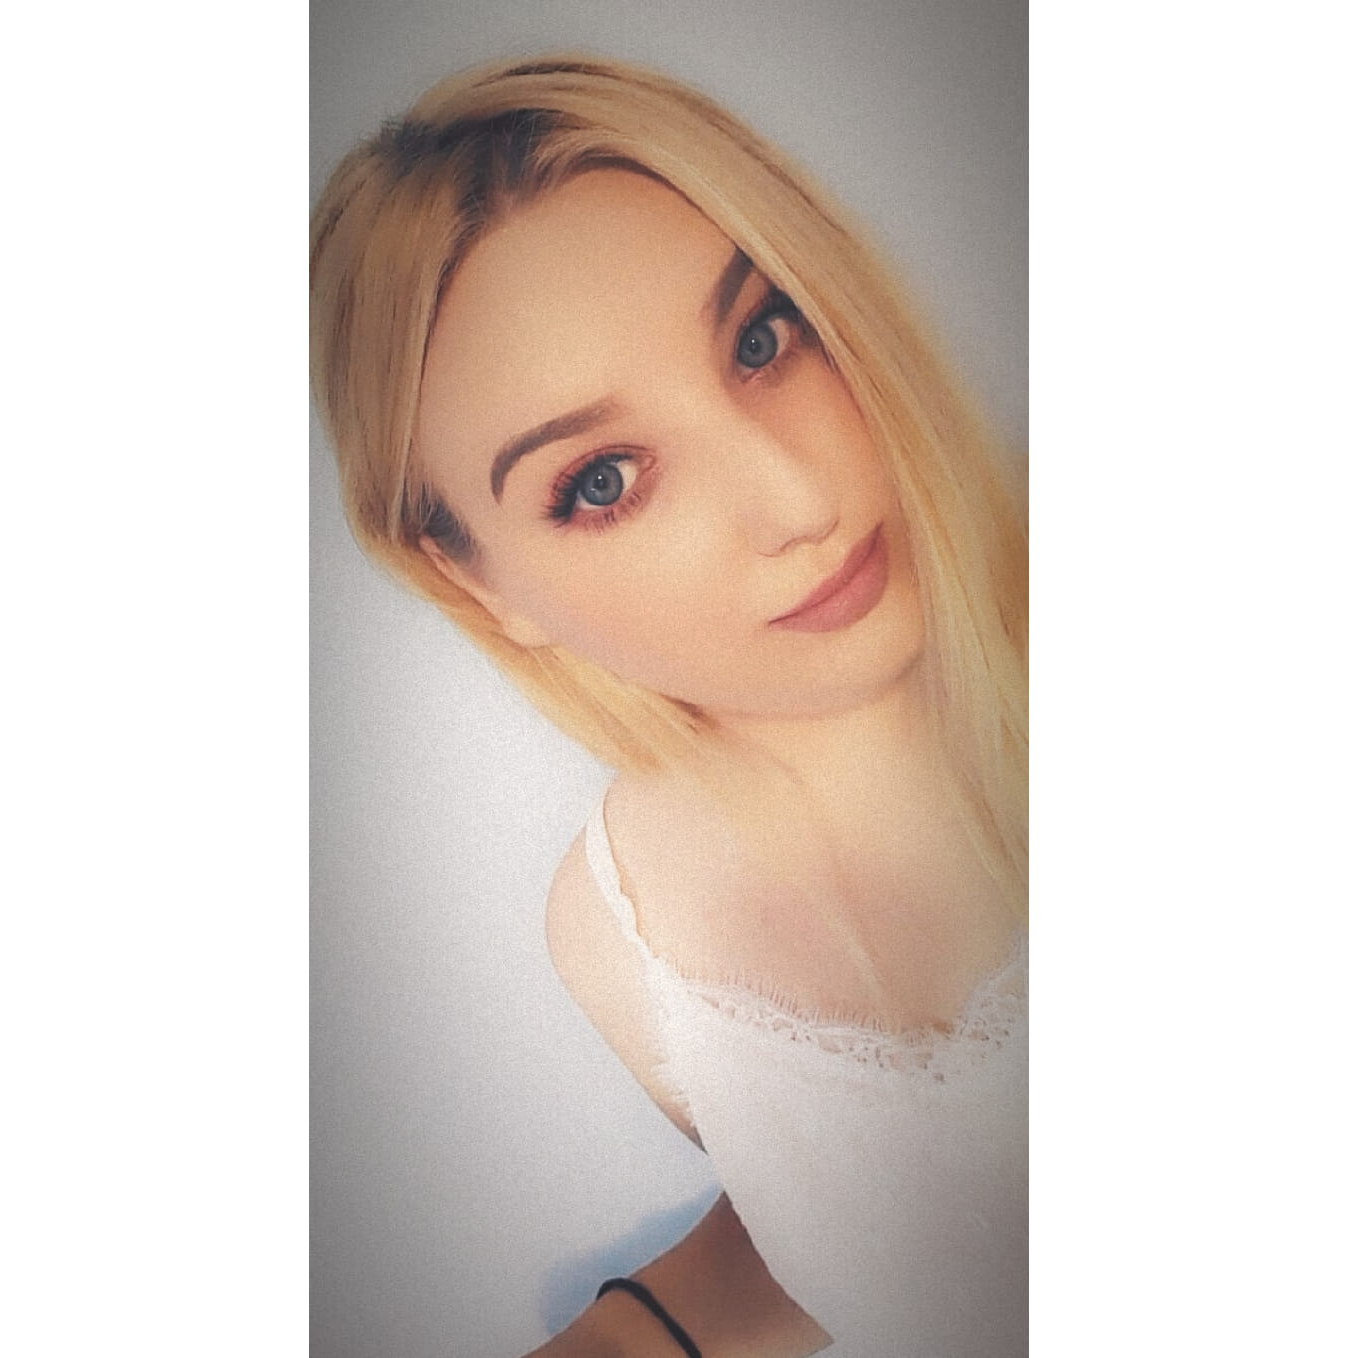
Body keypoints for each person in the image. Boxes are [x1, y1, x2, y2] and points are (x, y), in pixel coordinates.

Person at [310, 53, 1027, 1358]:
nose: (797, 500)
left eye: (762, 338)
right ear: (476, 581)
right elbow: (888, 1215)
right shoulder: (617, 933)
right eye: (602, 479)